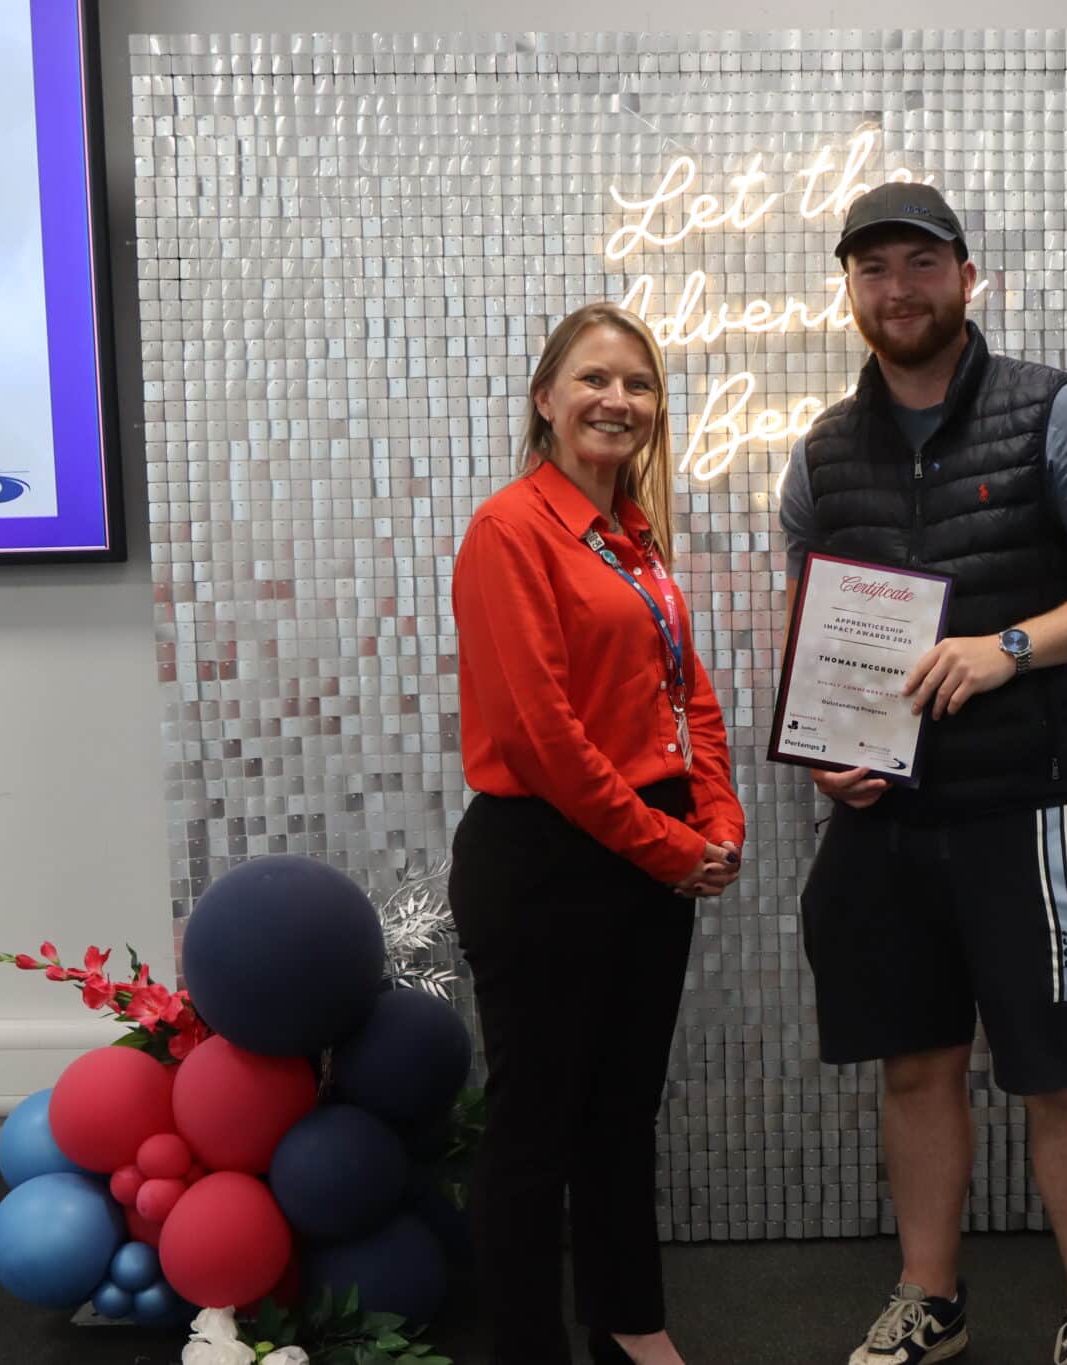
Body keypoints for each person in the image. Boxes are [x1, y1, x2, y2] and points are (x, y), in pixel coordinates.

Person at [780, 183, 1067, 1365]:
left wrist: (1006, 650)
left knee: (1063, 1074)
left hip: (1030, 808)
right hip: (888, 822)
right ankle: (929, 1300)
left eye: (917, 265)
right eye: (872, 271)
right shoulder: (820, 454)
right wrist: (823, 753)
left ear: (964, 275)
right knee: (915, 1063)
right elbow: (806, 626)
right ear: (849, 291)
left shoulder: (1051, 414)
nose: (896, 291)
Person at [449, 302, 746, 1365]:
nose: (616, 400)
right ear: (544, 400)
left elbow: (686, 690)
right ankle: (529, 1348)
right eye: (592, 379)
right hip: (543, 860)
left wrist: (716, 814)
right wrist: (670, 848)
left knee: (620, 1111)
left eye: (638, 383)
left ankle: (630, 1324)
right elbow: (542, 738)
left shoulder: (632, 538)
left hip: (642, 850)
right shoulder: (509, 530)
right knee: (535, 1131)